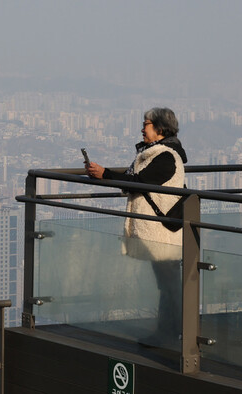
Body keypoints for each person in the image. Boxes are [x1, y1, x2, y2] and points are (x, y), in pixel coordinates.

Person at [86, 107, 187, 347]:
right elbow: (136, 179)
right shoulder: (156, 153)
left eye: (146, 124)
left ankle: (180, 334)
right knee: (166, 284)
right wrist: (103, 175)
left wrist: (106, 174)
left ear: (160, 129)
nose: (142, 128)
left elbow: (139, 182)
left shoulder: (166, 156)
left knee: (170, 285)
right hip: (161, 229)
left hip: (165, 230)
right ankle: (169, 333)